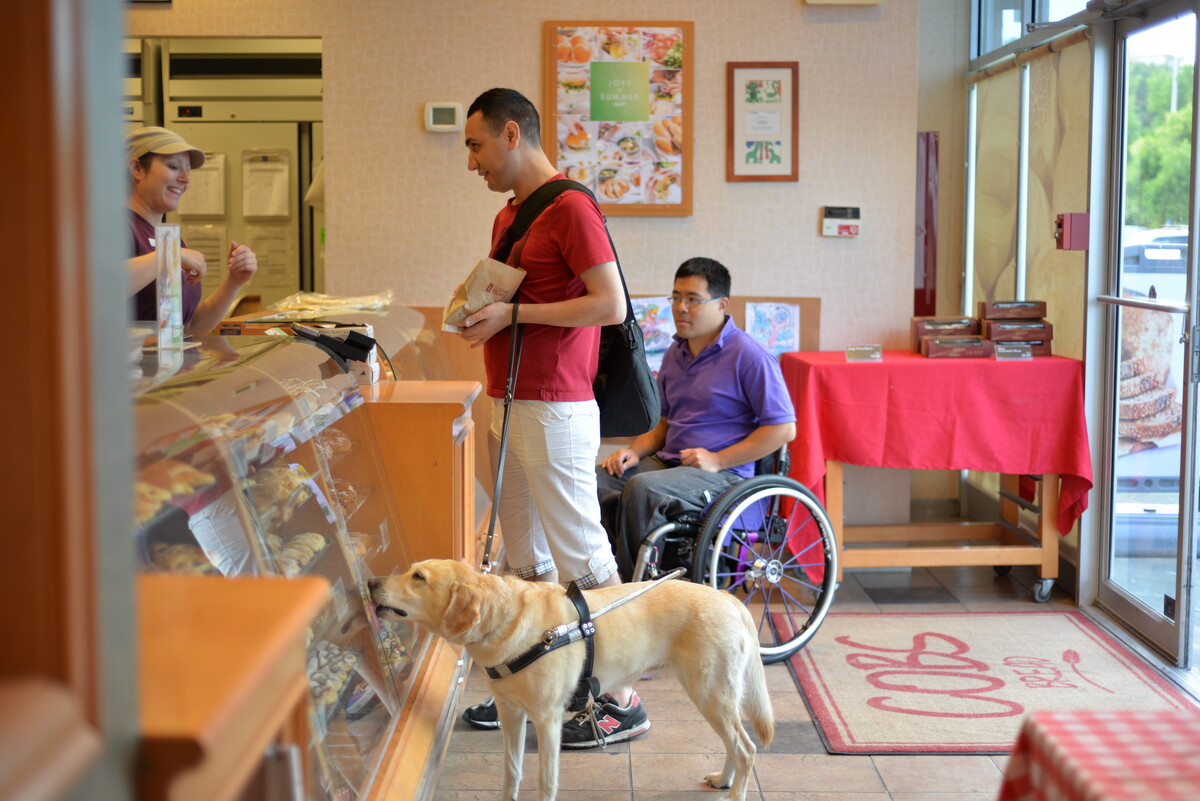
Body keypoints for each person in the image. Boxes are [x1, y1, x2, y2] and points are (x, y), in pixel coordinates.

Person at [456, 88, 648, 747]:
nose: (472, 161)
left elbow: (610, 305)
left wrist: (514, 315)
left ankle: (622, 698)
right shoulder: (510, 216)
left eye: (476, 144)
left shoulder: (571, 207)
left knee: (584, 556)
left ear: (513, 134)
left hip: (558, 407)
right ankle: (540, 686)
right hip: (506, 401)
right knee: (527, 559)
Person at [598, 257, 797, 581]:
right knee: (597, 480)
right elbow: (664, 422)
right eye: (676, 298)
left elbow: (783, 429)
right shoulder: (675, 354)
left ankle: (630, 592)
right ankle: (606, 578)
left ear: (721, 305)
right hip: (670, 464)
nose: (681, 308)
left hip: (725, 476)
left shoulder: (749, 355)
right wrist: (635, 451)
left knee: (642, 489)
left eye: (693, 299)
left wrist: (718, 460)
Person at [126, 126, 258, 334]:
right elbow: (98, 288)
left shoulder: (170, 240)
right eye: (173, 166)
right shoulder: (115, 227)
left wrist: (234, 282)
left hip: (166, 364)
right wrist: (170, 255)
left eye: (187, 170)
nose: (185, 179)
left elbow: (190, 328)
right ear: (137, 168)